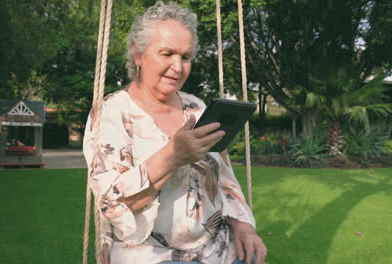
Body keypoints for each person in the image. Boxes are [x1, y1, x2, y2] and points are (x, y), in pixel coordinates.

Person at [83, 2, 267, 264]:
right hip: (147, 253)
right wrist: (173, 156)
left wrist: (243, 226)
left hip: (216, 248)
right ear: (138, 53)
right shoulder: (112, 113)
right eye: (166, 53)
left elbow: (225, 180)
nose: (178, 67)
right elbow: (112, 204)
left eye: (185, 57)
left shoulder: (197, 108)